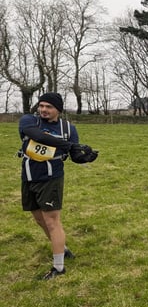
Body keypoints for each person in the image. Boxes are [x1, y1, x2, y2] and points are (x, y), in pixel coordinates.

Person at [18, 92, 97, 280]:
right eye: (42, 105)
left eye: (49, 107)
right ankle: (62, 248)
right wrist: (66, 145)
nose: (44, 110)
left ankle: (59, 268)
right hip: (28, 176)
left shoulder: (68, 129)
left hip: (51, 177)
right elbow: (37, 136)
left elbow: (75, 154)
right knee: (39, 219)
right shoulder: (29, 121)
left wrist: (85, 156)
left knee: (52, 221)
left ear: (58, 110)